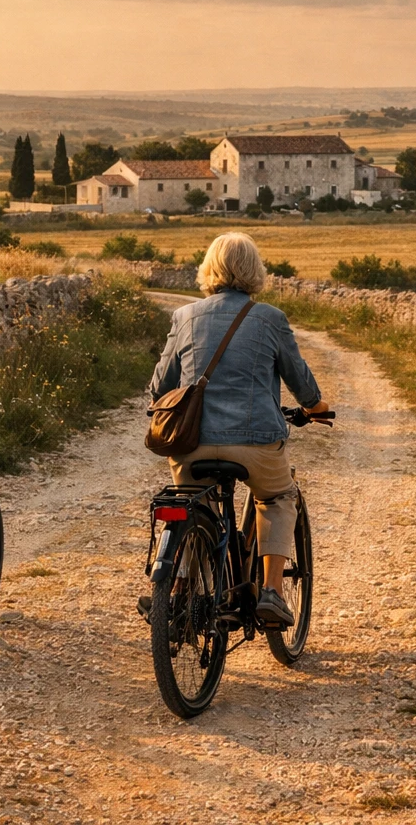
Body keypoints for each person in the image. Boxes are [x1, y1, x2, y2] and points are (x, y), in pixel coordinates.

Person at [146, 232, 329, 627]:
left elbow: (159, 388)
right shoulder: (270, 318)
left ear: (208, 268)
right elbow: (299, 380)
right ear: (255, 271)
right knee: (279, 497)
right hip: (257, 443)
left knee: (195, 505)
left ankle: (176, 594)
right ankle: (272, 593)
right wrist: (315, 407)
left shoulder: (184, 317)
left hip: (191, 443)